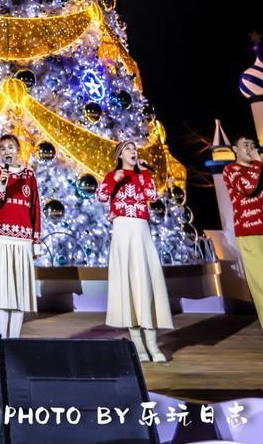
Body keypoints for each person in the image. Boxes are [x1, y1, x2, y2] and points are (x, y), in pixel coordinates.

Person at [97, 139, 173, 363]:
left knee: (145, 280)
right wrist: (115, 180)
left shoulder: (142, 176)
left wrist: (146, 173)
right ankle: (137, 343)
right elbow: (101, 196)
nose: (133, 151)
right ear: (120, 155)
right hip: (122, 228)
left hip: (140, 229)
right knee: (128, 281)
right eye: (128, 149)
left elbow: (152, 196)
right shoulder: (113, 175)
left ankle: (152, 342)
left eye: (134, 149)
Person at [223, 133, 263, 363]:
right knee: (262, 290)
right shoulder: (231, 171)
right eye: (245, 145)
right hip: (251, 235)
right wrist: (258, 163)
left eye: (252, 145)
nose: (250, 148)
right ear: (235, 149)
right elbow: (246, 188)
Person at [0, 133, 41, 339]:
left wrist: (36, 242)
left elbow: (35, 209)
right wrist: (1, 184)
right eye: (3, 148)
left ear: (18, 149)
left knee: (19, 294)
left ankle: (13, 341)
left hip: (22, 240)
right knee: (1, 293)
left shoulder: (29, 175)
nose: (7, 151)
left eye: (11, 147)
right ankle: (1, 341)